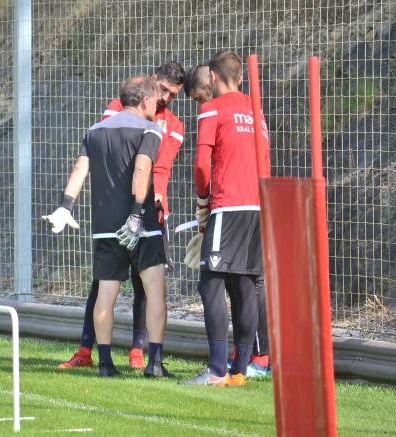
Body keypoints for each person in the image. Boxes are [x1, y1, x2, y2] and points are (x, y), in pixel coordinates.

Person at [58, 62, 185, 370]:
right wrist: (137, 214)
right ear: (146, 97)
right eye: (160, 94)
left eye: (171, 95)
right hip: (139, 219)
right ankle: (152, 361)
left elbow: (81, 169)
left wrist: (65, 205)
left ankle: (108, 361)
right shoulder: (149, 127)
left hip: (106, 223)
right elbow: (142, 169)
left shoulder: (95, 129)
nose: (163, 100)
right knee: (153, 289)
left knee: (107, 290)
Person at [179, 51, 269, 387]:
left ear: (213, 78)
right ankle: (240, 372)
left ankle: (217, 370)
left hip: (228, 205)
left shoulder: (211, 109)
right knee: (246, 287)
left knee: (210, 284)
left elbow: (202, 165)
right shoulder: (257, 112)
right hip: (260, 206)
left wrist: (203, 203)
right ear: (242, 78)